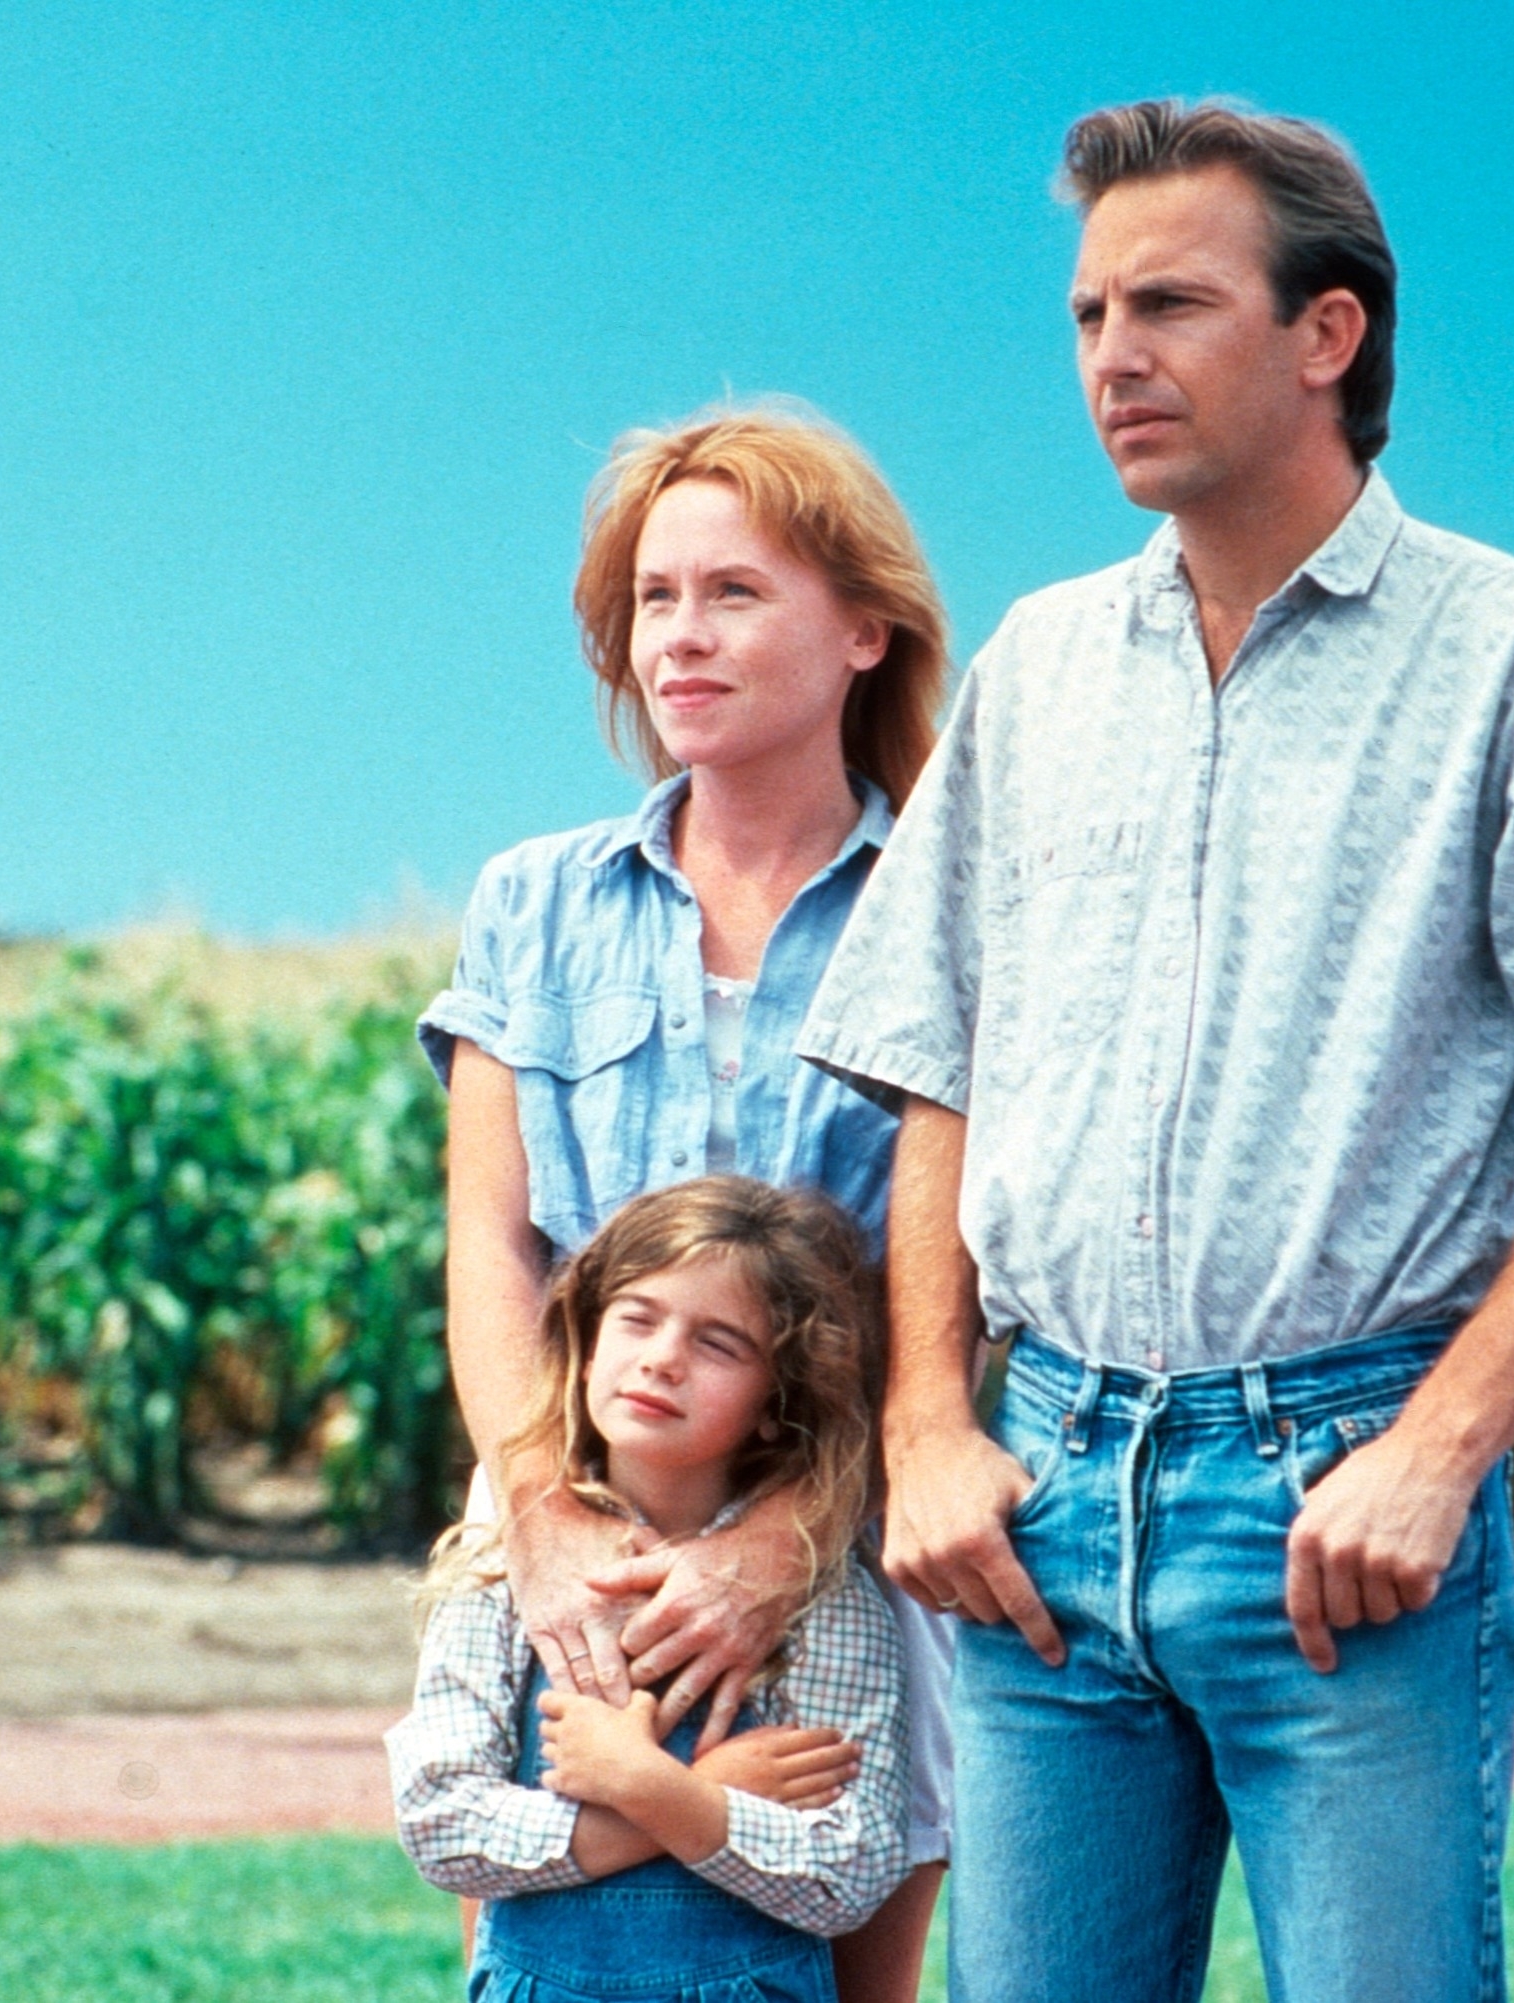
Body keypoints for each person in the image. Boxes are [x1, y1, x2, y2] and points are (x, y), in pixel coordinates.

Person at [795, 99, 1514, 2003]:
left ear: (1329, 333)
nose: (1112, 359)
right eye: (1086, 315)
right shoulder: (1039, 666)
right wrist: (926, 1420)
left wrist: (1438, 1448)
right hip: (1045, 1504)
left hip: (1348, 1512)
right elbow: (940, 1067)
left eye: (1168, 305)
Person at [417, 403, 955, 2000]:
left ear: (864, 627)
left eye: (734, 592)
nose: (681, 636)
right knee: (545, 1953)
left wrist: (790, 1538)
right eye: (655, 599)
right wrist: (543, 1520)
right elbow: (492, 1249)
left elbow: (965, 1280)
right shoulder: (535, 897)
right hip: (564, 1530)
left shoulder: (949, 900)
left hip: (848, 1547)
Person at [387, 1176, 912, 2002]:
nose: (662, 1357)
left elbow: (851, 1869)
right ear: (588, 1345)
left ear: (776, 1403)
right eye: (636, 1317)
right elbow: (438, 1820)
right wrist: (692, 1797)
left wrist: (651, 1786)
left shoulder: (820, 1599)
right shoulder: (505, 1574)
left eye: (719, 1343)